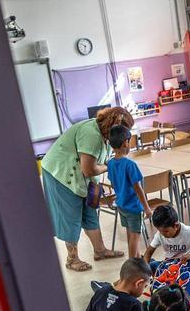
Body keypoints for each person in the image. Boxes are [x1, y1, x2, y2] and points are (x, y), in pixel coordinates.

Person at [41, 106, 134, 271]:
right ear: (113, 126)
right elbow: (89, 169)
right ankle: (72, 259)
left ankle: (100, 250)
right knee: (72, 215)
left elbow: (92, 168)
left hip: (86, 177)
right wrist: (109, 166)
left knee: (91, 210)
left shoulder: (106, 135)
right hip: (61, 173)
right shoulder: (91, 134)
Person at [105, 125, 151, 258]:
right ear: (126, 142)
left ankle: (136, 256)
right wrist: (147, 208)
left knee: (129, 233)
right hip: (134, 207)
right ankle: (133, 263)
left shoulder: (110, 164)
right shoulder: (130, 165)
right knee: (135, 236)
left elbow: (113, 184)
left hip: (121, 205)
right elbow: (138, 189)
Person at [143, 205, 190, 269]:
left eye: (166, 231)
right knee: (151, 266)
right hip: (170, 263)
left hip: (187, 264)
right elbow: (149, 251)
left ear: (176, 226)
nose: (162, 234)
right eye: (159, 230)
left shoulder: (189, 232)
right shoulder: (160, 234)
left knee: (186, 282)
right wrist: (145, 268)